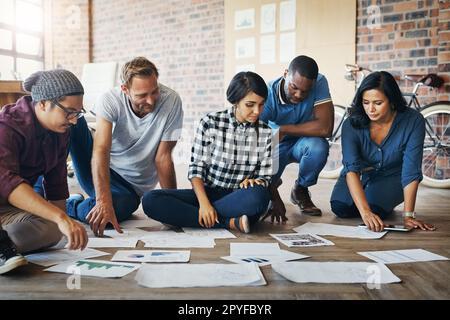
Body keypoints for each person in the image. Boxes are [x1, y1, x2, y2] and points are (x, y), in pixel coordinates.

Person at [64, 57, 183, 237]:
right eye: (142, 96)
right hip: (99, 167)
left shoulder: (171, 101)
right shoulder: (110, 99)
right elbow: (100, 150)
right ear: (125, 89)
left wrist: (172, 205)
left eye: (154, 91)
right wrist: (103, 201)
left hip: (129, 188)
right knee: (67, 115)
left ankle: (71, 204)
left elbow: (163, 157)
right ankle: (47, 193)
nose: (150, 101)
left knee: (116, 210)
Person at [142, 71, 273, 233]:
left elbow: (265, 176)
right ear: (235, 101)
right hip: (206, 194)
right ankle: (228, 222)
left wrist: (256, 182)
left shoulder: (266, 132)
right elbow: (196, 170)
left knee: (259, 197)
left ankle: (194, 217)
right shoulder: (210, 122)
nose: (257, 111)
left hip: (238, 197)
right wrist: (204, 205)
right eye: (250, 105)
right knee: (150, 200)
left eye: (261, 104)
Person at [0, 70, 88, 275]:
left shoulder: (61, 131)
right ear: (42, 104)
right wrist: (62, 219)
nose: (74, 121)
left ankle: (4, 247)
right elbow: (7, 183)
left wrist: (64, 224)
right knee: (58, 222)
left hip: (8, 211)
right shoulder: (6, 126)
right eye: (69, 112)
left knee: (53, 230)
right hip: (8, 194)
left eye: (78, 112)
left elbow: (56, 184)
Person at [330, 71, 435, 232]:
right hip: (359, 174)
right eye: (366, 102)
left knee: (375, 208)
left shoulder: (413, 121)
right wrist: (365, 213)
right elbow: (351, 169)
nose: (370, 109)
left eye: (378, 103)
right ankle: (372, 200)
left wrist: (408, 216)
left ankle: (382, 199)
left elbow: (411, 170)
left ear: (392, 101)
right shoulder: (351, 124)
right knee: (340, 207)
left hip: (393, 176)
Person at [260, 55, 334, 222]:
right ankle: (273, 183)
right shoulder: (267, 93)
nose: (299, 94)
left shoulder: (320, 81)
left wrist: (284, 129)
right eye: (294, 87)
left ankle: (300, 189)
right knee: (260, 197)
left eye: (306, 90)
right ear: (286, 74)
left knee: (318, 147)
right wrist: (273, 194)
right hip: (273, 143)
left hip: (303, 140)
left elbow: (325, 127)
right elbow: (256, 146)